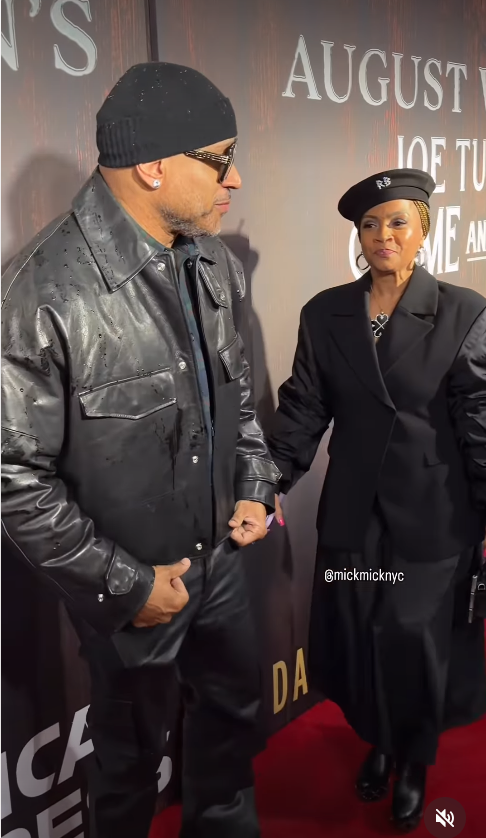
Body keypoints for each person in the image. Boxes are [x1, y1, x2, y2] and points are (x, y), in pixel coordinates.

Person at [1, 62, 281, 838]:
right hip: (135, 592)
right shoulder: (39, 295)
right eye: (220, 159)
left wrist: (254, 482)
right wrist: (125, 586)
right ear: (154, 164)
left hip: (222, 560)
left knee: (231, 730)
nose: (235, 179)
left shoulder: (214, 261)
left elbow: (239, 400)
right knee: (125, 766)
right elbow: (12, 478)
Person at [268, 169, 486, 832]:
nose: (382, 235)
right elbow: (303, 407)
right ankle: (380, 742)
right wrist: (268, 481)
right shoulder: (326, 312)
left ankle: (414, 758)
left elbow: (480, 417)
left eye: (397, 221)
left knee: (416, 643)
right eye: (369, 224)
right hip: (354, 516)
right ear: (357, 236)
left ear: (423, 228)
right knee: (362, 636)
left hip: (435, 514)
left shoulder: (463, 311)